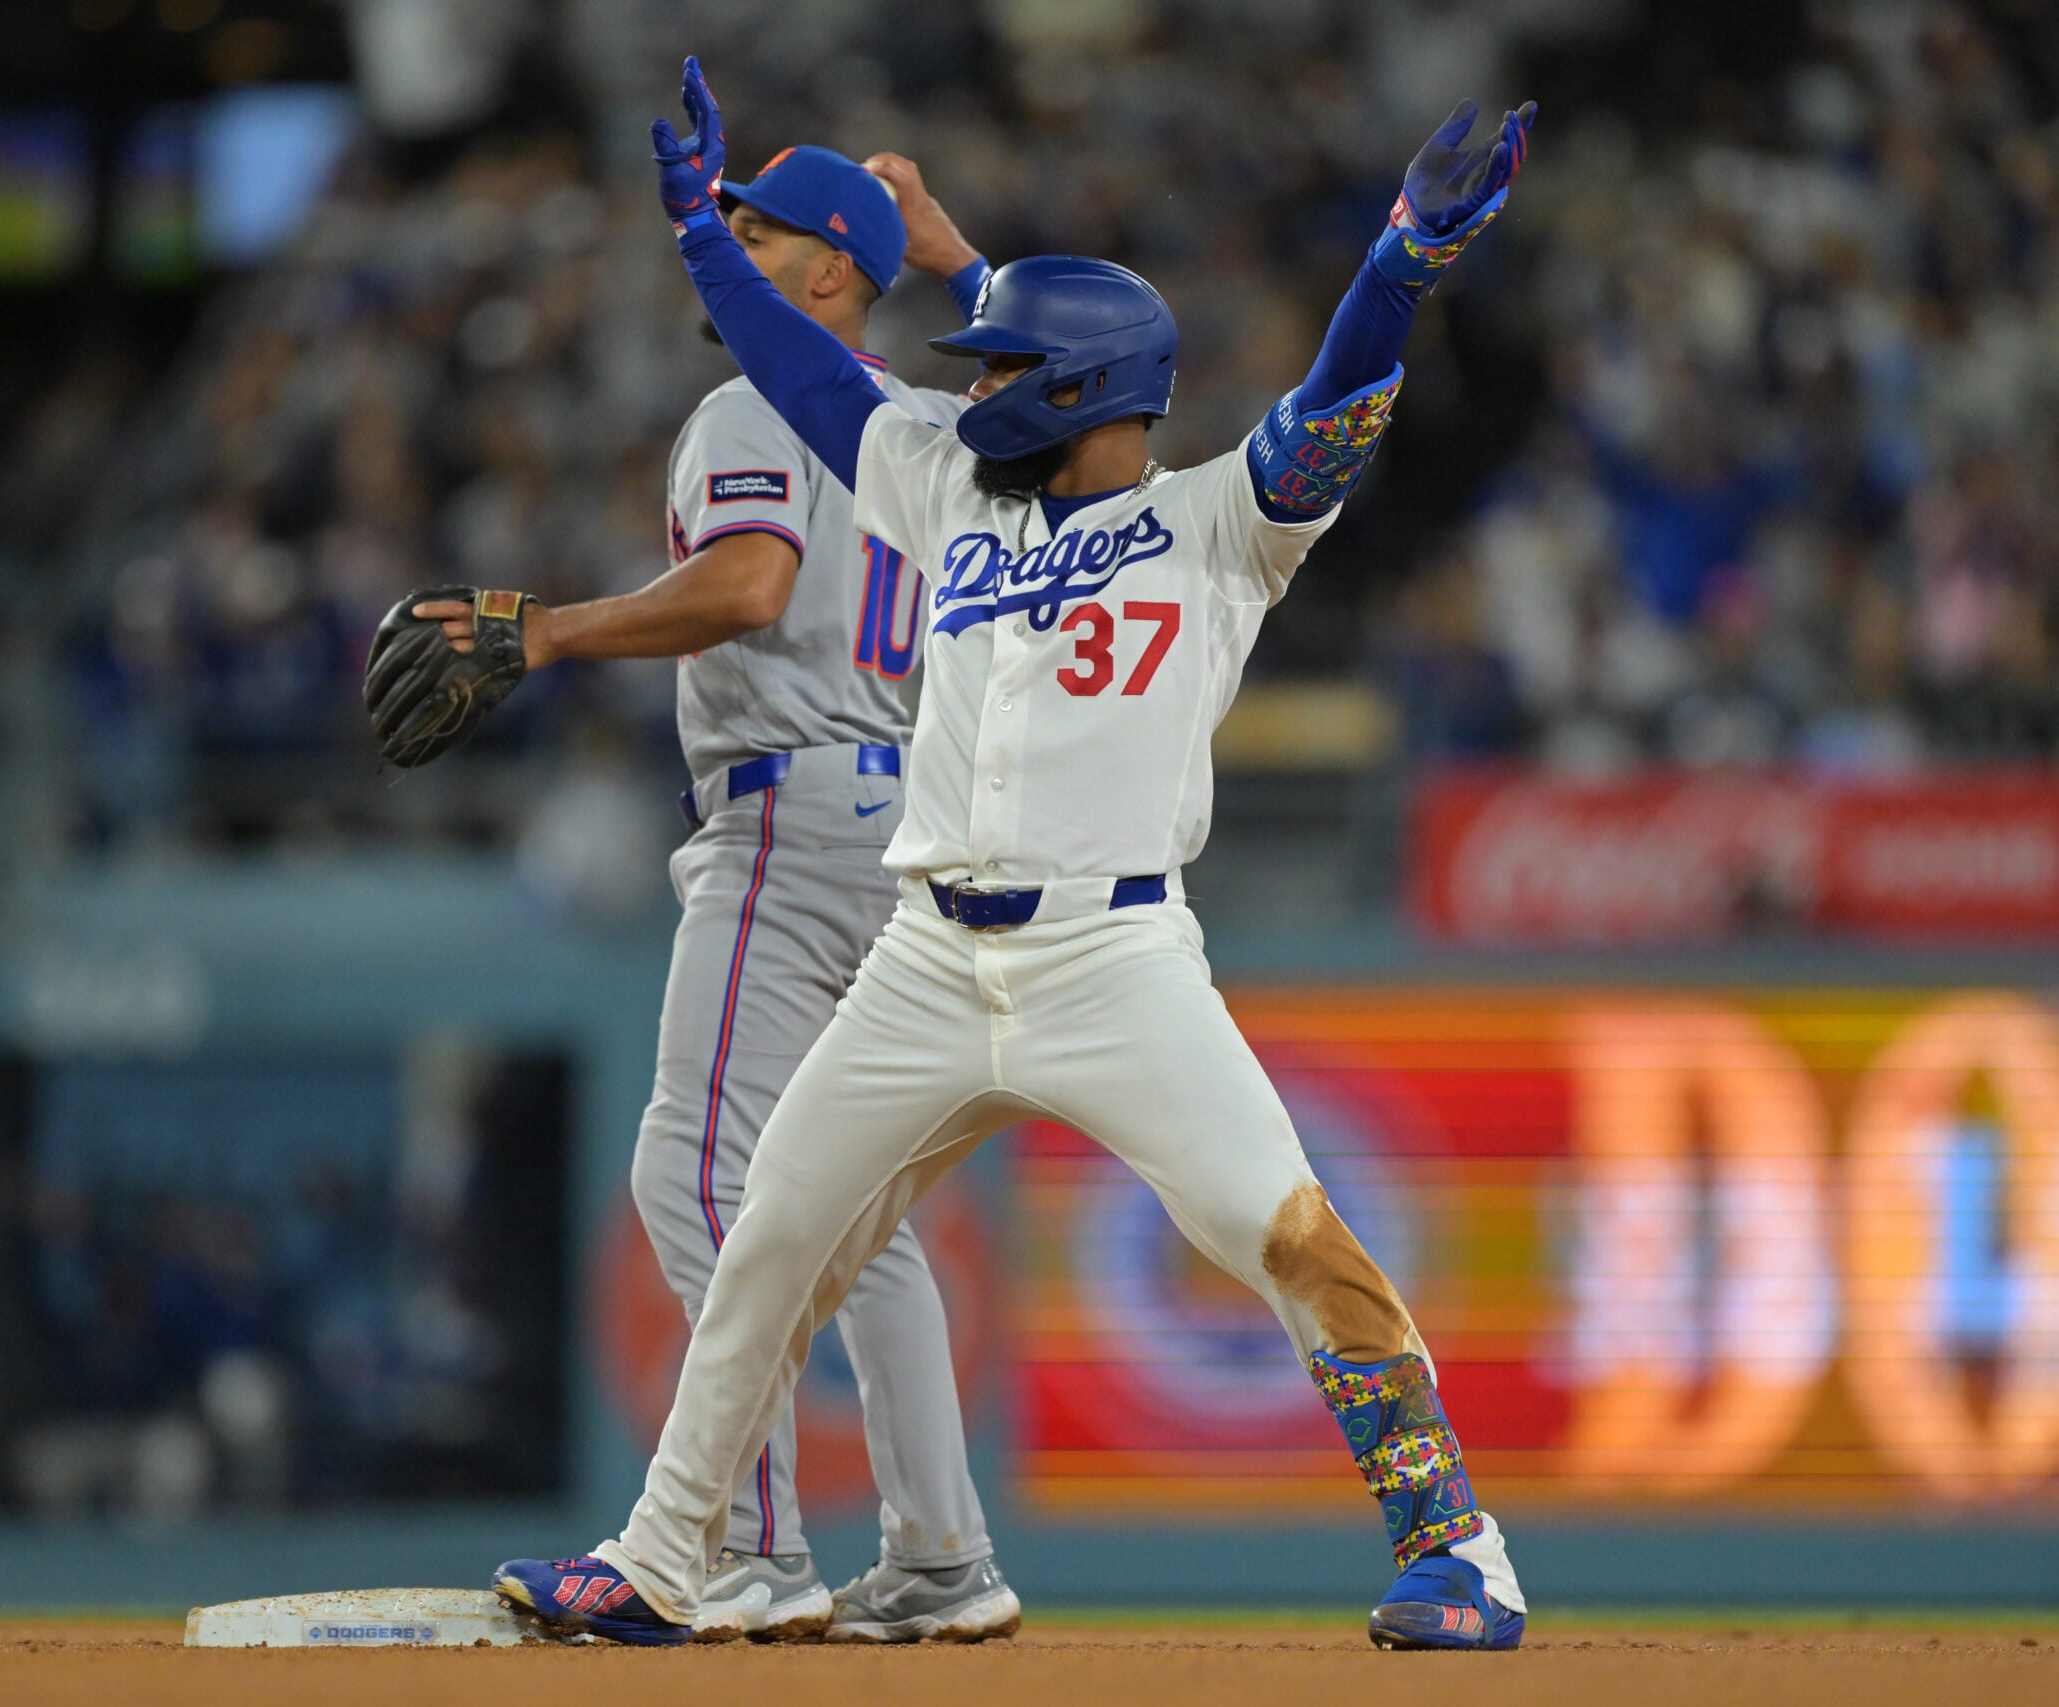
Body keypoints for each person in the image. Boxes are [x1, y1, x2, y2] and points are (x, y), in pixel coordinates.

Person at [494, 58, 1538, 1650]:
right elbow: (806, 367)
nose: (965, 385)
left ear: (1072, 391)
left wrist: (1400, 262)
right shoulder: (944, 493)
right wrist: (706, 236)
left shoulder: (1221, 526)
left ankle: (1458, 1548)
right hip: (926, 954)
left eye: (998, 369)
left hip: (1112, 960)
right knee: (774, 1230)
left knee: (1284, 1231)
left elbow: (1334, 400)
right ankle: (663, 1559)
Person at [420, 143, 1019, 1641]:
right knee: (859, 1220)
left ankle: (742, 1550)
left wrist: (546, 633)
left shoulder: (756, 404)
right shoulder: (936, 425)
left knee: (692, 1179)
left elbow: (750, 586)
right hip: (910, 826)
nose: (723, 247)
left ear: (830, 272)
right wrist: (956, 260)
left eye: (757, 231)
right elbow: (1073, 386)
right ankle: (944, 1557)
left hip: (796, 815)